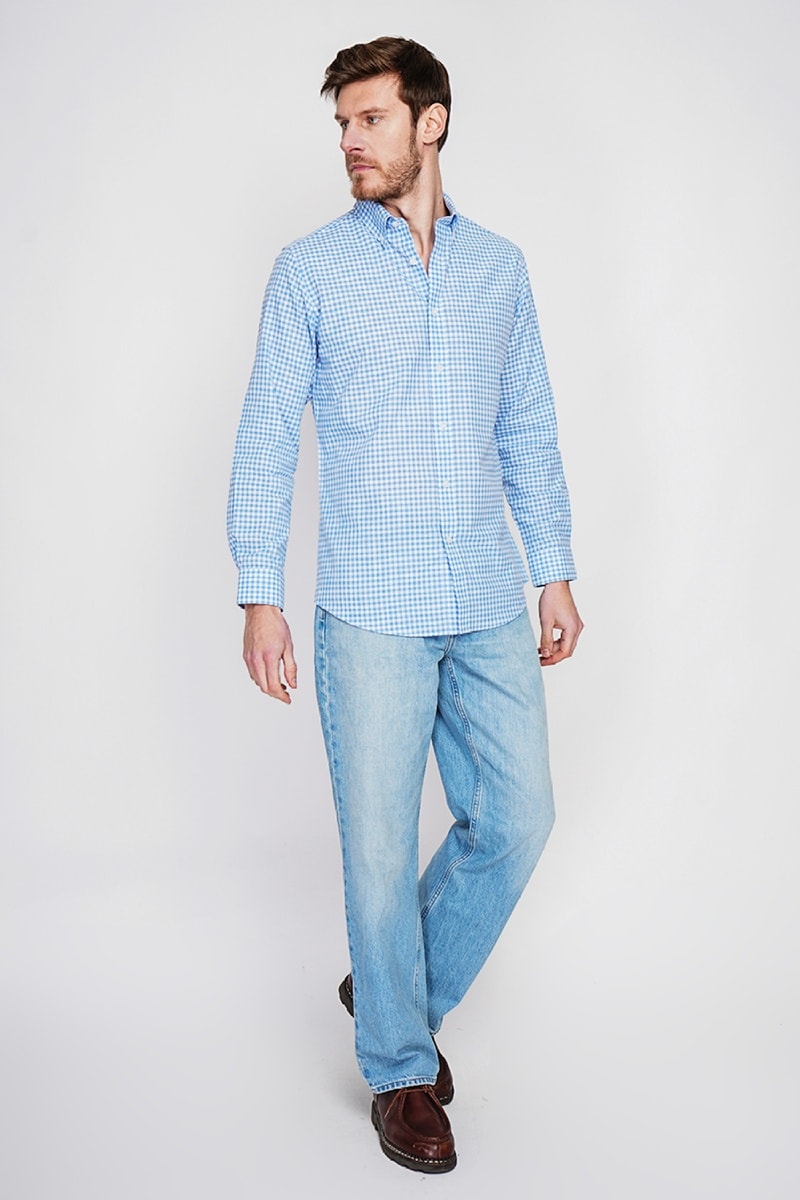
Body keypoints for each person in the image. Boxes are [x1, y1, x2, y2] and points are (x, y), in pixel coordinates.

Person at [227, 36, 583, 1174]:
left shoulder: (499, 270)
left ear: (430, 123)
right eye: (342, 123)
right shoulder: (309, 271)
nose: (349, 141)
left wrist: (553, 567)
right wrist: (259, 594)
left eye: (370, 119)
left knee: (518, 818)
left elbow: (526, 422)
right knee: (377, 851)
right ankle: (398, 1066)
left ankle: (393, 983)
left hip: (483, 594)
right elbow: (265, 435)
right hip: (369, 607)